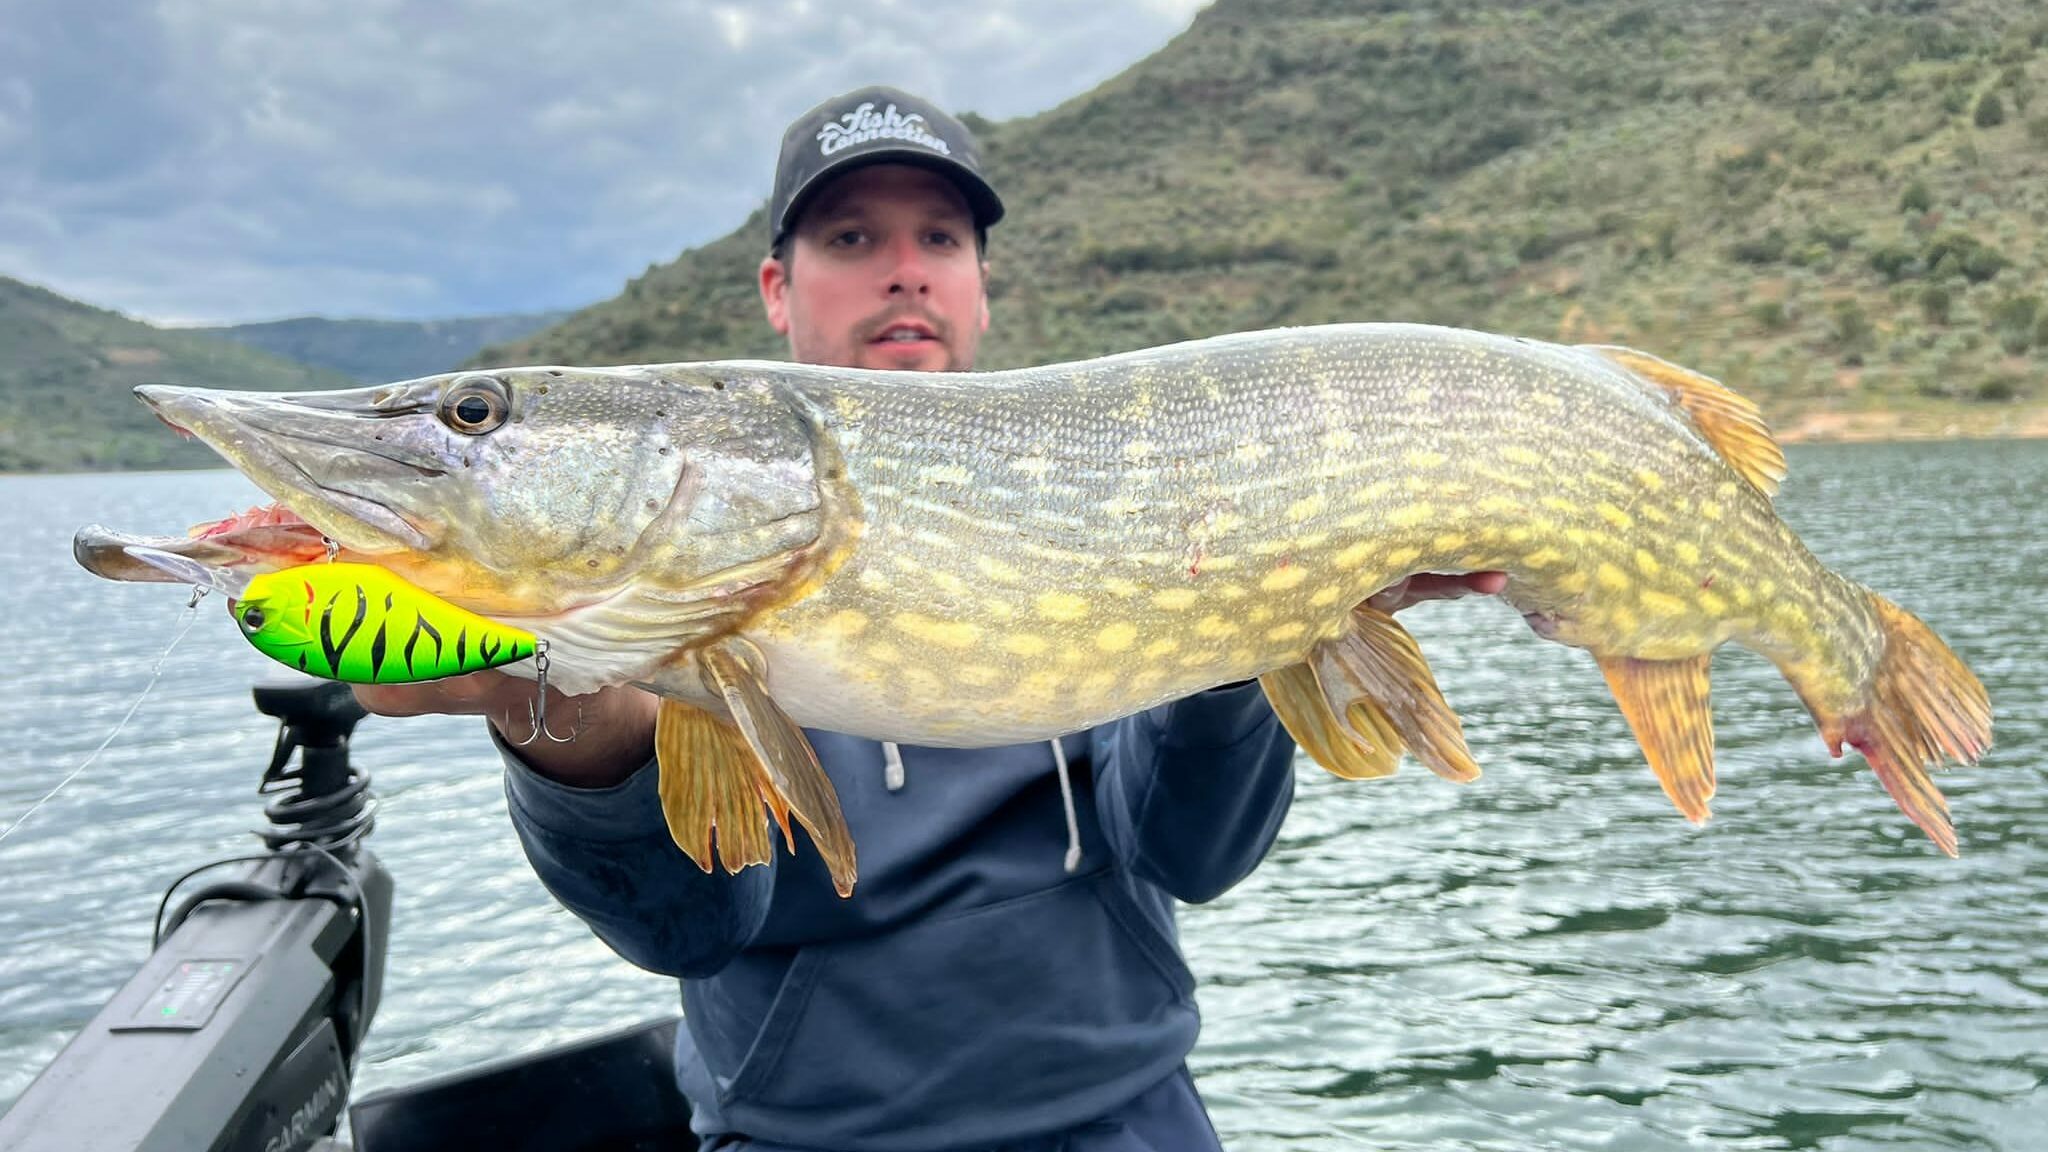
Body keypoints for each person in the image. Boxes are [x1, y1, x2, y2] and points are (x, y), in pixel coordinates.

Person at [355, 85, 1503, 1151]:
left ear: (979, 285)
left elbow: (1192, 855)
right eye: (851, 239)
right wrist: (577, 735)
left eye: (938, 239)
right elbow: (686, 929)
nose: (902, 272)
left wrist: (1254, 625)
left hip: (1130, 1119)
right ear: (776, 289)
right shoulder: (675, 560)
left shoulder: (1129, 486)